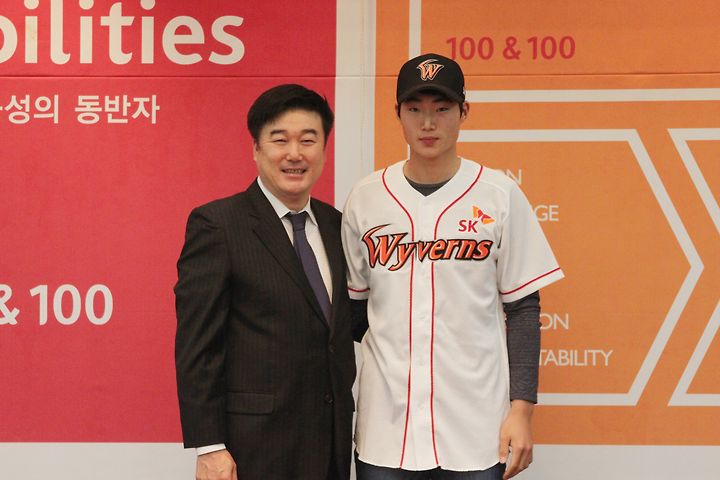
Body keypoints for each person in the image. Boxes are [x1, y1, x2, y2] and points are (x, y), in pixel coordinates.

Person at [342, 53, 564, 480]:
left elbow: (523, 309)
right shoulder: (366, 198)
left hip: (476, 426)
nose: (428, 123)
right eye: (415, 109)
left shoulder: (499, 194)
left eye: (442, 109)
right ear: (397, 113)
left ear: (464, 112)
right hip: (386, 426)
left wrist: (522, 411)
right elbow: (355, 312)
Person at [174, 84, 356, 480]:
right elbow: (197, 346)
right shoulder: (218, 225)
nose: (295, 153)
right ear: (256, 149)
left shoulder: (336, 225)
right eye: (280, 140)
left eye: (308, 140)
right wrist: (210, 447)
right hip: (253, 450)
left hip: (330, 447)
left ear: (324, 150)